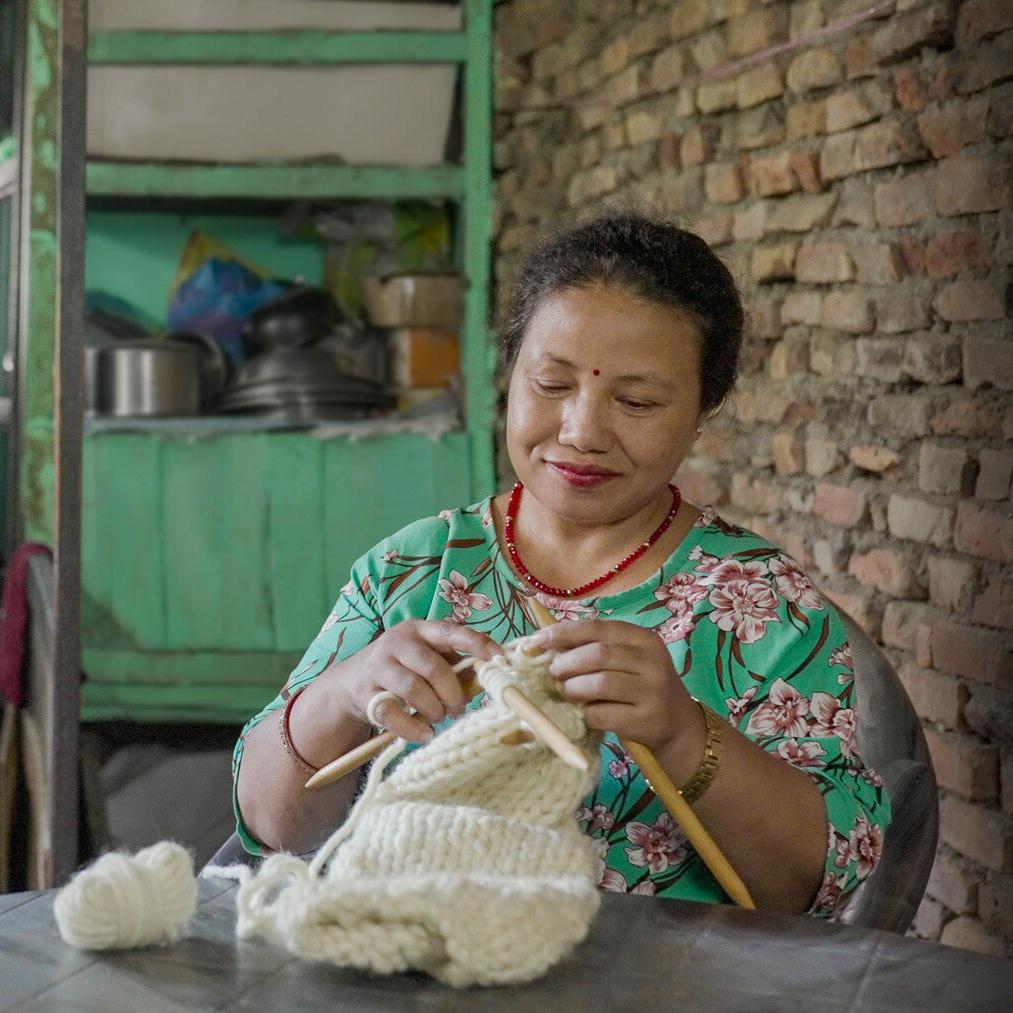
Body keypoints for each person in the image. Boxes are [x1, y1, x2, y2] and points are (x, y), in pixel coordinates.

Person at [233, 212, 890, 916]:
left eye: (635, 401)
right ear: (507, 377)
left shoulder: (763, 606)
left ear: (702, 410)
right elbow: (273, 825)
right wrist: (343, 693)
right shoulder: (412, 571)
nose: (580, 432)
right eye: (550, 383)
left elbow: (809, 887)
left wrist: (681, 733)